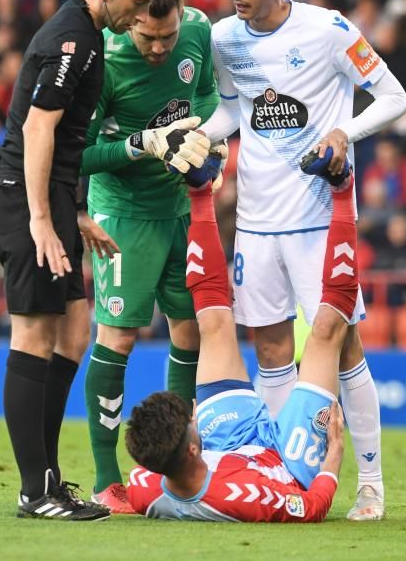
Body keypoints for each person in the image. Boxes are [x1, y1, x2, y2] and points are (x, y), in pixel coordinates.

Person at [0, 0, 207, 521]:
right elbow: (37, 132)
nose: (140, 16)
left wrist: (71, 214)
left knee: (75, 332)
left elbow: (61, 147)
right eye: (136, 4)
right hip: (25, 201)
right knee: (33, 337)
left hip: (54, 201)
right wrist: (41, 219)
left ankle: (51, 478)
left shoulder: (85, 35)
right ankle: (35, 491)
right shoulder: (76, 41)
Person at [200, 0, 406, 520]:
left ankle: (370, 483)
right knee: (270, 349)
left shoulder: (329, 31)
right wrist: (199, 135)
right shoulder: (224, 38)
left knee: (342, 347)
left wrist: (346, 132)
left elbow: (395, 97)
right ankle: (285, 473)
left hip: (320, 218)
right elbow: (233, 111)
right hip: (257, 221)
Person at [124, 162, 357, 522]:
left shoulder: (144, 484)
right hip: (285, 462)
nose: (193, 415)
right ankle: (343, 192)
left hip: (223, 444)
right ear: (189, 448)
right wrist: (333, 459)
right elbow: (311, 509)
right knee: (326, 332)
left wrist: (197, 437)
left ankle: (199, 193)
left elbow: (144, 482)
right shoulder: (245, 498)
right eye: (190, 422)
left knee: (213, 324)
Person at [78, 0, 221, 513]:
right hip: (124, 214)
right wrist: (142, 144)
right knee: (118, 336)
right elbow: (81, 156)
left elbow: (205, 94)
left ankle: (173, 463)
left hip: (182, 204)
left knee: (191, 330)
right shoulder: (106, 57)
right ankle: (106, 474)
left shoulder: (199, 30)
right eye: (147, 37)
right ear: (128, 19)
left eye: (167, 35)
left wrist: (209, 139)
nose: (159, 48)